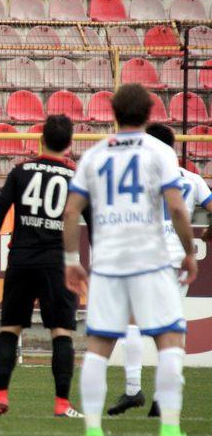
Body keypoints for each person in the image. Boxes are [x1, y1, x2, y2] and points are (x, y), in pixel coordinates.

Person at [64, 84, 196, 436]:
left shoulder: (94, 154)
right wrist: (190, 251)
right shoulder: (159, 151)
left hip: (108, 262)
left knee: (97, 347)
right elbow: (178, 207)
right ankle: (169, 428)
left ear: (113, 112)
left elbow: (72, 210)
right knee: (170, 339)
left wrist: (72, 258)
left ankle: (93, 429)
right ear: (149, 112)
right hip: (150, 258)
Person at [0, 115, 84, 419]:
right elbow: (93, 220)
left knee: (10, 328)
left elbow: (0, 213)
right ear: (69, 144)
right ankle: (62, 403)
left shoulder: (20, 171)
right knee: (61, 331)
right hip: (55, 262)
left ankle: (0, 397)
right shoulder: (75, 178)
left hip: (21, 258)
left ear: (40, 140)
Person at [107, 123, 212, 418]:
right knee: (171, 327)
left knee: (130, 319)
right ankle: (161, 398)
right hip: (179, 257)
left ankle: (132, 390)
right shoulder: (192, 178)